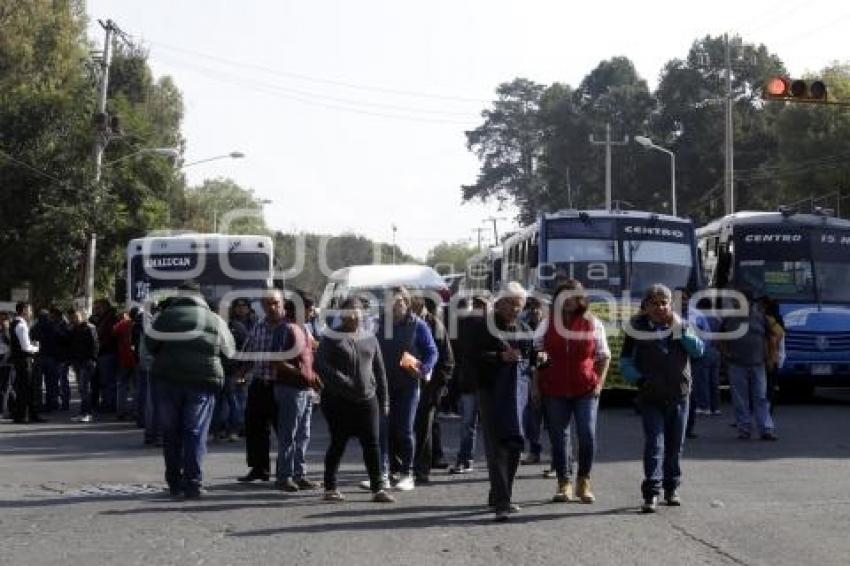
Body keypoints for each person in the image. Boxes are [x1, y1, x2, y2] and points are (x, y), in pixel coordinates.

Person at [146, 282, 235, 499]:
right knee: (195, 433)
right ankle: (194, 483)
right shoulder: (214, 319)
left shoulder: (164, 317)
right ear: (200, 297)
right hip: (202, 383)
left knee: (171, 433)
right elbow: (229, 351)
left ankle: (175, 484)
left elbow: (149, 345)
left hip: (167, 381)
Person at [620, 284, 704, 513]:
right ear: (646, 306)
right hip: (651, 396)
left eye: (664, 303)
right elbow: (626, 362)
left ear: (671, 305)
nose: (659, 307)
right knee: (655, 444)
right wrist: (640, 381)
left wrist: (680, 329)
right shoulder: (635, 328)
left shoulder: (682, 325)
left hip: (679, 395)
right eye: (654, 303)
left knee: (675, 446)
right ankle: (651, 493)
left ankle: (671, 488)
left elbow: (698, 351)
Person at [534, 279, 610, 504]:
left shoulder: (593, 323)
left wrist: (599, 384)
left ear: (580, 299)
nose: (568, 302)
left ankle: (584, 480)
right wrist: (536, 387)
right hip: (554, 389)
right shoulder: (547, 324)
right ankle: (563, 482)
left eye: (573, 297)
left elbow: (604, 356)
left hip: (585, 388)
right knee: (559, 439)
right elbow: (537, 356)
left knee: (587, 435)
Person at [315, 297, 395, 503]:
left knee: (372, 444)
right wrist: (343, 380)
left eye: (357, 311)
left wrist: (384, 399)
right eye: (349, 311)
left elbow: (380, 371)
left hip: (368, 399)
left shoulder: (370, 338)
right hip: (339, 400)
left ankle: (378, 488)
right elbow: (320, 364)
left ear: (363, 314)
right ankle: (330, 488)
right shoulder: (332, 337)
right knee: (338, 443)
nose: (354, 315)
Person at [470, 282, 538, 521]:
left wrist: (541, 358)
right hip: (490, 390)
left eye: (519, 306)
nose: (514, 310)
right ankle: (502, 501)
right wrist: (500, 356)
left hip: (517, 394)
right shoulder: (483, 326)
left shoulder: (524, 328)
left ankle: (500, 492)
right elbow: (471, 357)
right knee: (496, 445)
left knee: (515, 444)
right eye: (510, 304)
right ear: (499, 303)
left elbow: (531, 358)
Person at [374, 287, 438, 492]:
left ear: (407, 303)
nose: (396, 304)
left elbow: (431, 351)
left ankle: (406, 473)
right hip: (382, 385)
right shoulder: (378, 323)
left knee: (404, 430)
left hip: (408, 385)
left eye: (400, 300)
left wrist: (424, 369)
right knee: (382, 430)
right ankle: (382, 474)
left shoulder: (417, 325)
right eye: (392, 300)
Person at [270, 295, 322, 492]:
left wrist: (313, 376)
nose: (312, 312)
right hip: (289, 389)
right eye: (310, 309)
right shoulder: (285, 328)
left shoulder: (305, 329)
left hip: (305, 389)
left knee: (303, 434)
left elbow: (308, 357)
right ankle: (284, 476)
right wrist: (302, 374)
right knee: (289, 435)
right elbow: (276, 360)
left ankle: (299, 475)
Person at [237, 292, 286, 484]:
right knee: (255, 428)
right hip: (259, 384)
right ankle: (259, 469)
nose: (271, 307)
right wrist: (240, 373)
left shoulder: (290, 327)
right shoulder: (258, 327)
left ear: (282, 303)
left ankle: (287, 471)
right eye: (267, 304)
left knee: (285, 431)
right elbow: (248, 353)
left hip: (282, 386)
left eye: (275, 303)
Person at [721, 289, 778, 441]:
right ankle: (744, 429)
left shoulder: (760, 318)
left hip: (758, 364)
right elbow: (720, 338)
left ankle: (766, 429)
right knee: (740, 399)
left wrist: (772, 357)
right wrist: (726, 353)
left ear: (749, 303)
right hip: (736, 365)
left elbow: (772, 337)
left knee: (760, 397)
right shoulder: (728, 320)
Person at [412, 296, 455, 484]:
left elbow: (447, 359)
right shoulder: (407, 324)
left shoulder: (434, 325)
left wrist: (439, 386)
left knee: (424, 428)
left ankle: (422, 469)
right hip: (411, 383)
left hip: (430, 385)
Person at [520, 296, 546, 466]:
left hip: (548, 374)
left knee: (553, 419)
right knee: (532, 416)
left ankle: (559, 457)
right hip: (531, 375)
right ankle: (534, 450)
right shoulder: (524, 326)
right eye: (531, 308)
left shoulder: (548, 326)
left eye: (537, 308)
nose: (534, 311)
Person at [10, 302, 43, 423]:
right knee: (26, 388)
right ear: (24, 310)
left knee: (26, 388)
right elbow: (25, 347)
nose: (31, 313)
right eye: (29, 310)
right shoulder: (21, 325)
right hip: (24, 360)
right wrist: (36, 348)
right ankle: (22, 415)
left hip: (20, 360)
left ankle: (28, 414)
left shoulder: (17, 323)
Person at [67, 308, 99, 423]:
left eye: (76, 317)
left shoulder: (90, 328)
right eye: (73, 317)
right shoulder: (74, 329)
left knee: (85, 388)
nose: (74, 319)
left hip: (86, 362)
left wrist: (92, 359)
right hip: (77, 361)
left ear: (83, 317)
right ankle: (82, 413)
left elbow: (95, 345)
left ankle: (87, 413)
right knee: (81, 389)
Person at [113, 308, 139, 420]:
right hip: (136, 359)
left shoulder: (123, 324)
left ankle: (121, 411)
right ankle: (135, 412)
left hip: (123, 358)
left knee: (121, 386)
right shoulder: (140, 325)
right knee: (136, 387)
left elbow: (113, 332)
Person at [0, 312, 15, 418]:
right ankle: (12, 409)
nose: (2, 322)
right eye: (1, 319)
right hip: (2, 359)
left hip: (8, 360)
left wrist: (6, 329)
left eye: (4, 320)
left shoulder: (11, 332)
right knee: (6, 387)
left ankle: (4, 410)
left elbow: (11, 344)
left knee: (6, 386)